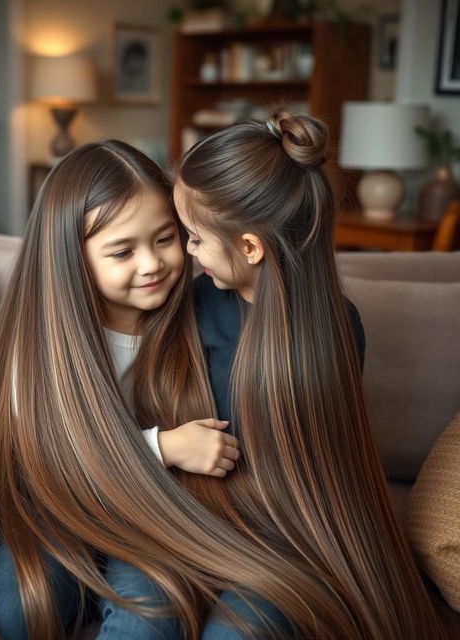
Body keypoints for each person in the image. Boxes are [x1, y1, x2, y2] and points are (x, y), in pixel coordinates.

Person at [0, 140, 288, 640]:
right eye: (122, 251)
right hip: (56, 508)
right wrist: (162, 446)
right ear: (71, 258)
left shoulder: (199, 316)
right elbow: (39, 453)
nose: (151, 264)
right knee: (7, 611)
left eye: (166, 239)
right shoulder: (44, 338)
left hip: (152, 515)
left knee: (150, 615)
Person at [103, 112, 447, 639]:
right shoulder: (186, 304)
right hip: (174, 518)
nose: (185, 257)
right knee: (142, 624)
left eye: (192, 239)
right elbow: (111, 379)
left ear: (249, 248)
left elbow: (321, 470)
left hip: (279, 535)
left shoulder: (333, 328)